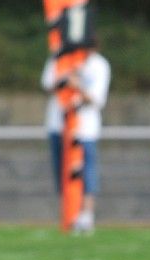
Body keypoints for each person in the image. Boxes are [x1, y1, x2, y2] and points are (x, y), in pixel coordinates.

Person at [43, 44, 109, 234]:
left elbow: (97, 99)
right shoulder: (59, 58)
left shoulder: (99, 65)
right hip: (59, 126)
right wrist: (64, 81)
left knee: (86, 172)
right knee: (62, 171)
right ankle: (69, 214)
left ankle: (86, 216)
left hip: (85, 129)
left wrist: (77, 86)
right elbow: (48, 85)